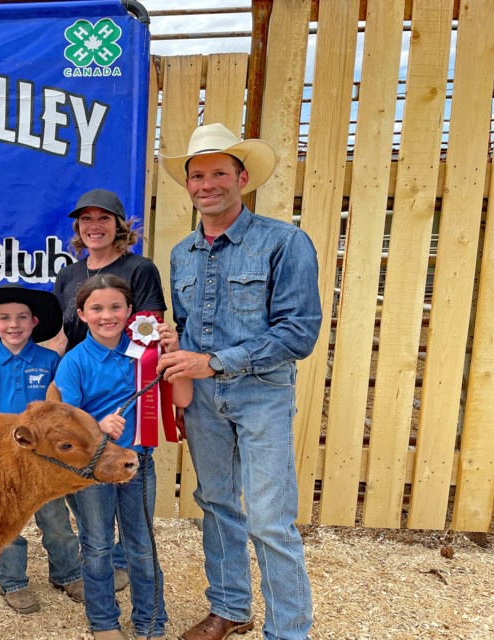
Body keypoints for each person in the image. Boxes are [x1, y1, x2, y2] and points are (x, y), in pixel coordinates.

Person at [157, 122, 322, 640]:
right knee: (217, 504)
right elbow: (187, 328)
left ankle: (288, 631)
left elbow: (298, 332)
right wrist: (174, 345)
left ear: (242, 178)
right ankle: (230, 608)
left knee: (271, 519)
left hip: (261, 394)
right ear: (188, 184)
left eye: (219, 174)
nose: (208, 185)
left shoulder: (284, 242)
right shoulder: (182, 254)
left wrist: (215, 362)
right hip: (203, 399)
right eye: (198, 175)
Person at [51, 274, 193, 640]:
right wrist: (96, 425)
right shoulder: (74, 362)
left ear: (130, 311)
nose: (107, 316)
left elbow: (183, 400)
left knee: (141, 545)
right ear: (81, 314)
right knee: (97, 547)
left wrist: (175, 353)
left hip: (137, 465)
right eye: (96, 308)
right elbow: (65, 427)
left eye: (116, 307)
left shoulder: (148, 353)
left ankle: (151, 623)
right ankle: (104, 623)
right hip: (93, 471)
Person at [48, 188, 168, 593]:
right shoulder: (68, 275)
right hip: (83, 391)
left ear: (120, 225)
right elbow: (62, 336)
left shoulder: (140, 268)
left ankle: (122, 570)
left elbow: (149, 338)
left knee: (130, 505)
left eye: (104, 218)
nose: (94, 226)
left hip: (127, 398)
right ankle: (103, 565)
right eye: (86, 219)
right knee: (86, 489)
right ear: (77, 228)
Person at [0, 284, 84, 613]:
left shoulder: (51, 360)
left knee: (55, 518)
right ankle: (13, 581)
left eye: (22, 317)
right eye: (5, 318)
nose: (14, 324)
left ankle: (68, 574)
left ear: (35, 322)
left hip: (43, 461)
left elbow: (59, 410)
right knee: (4, 524)